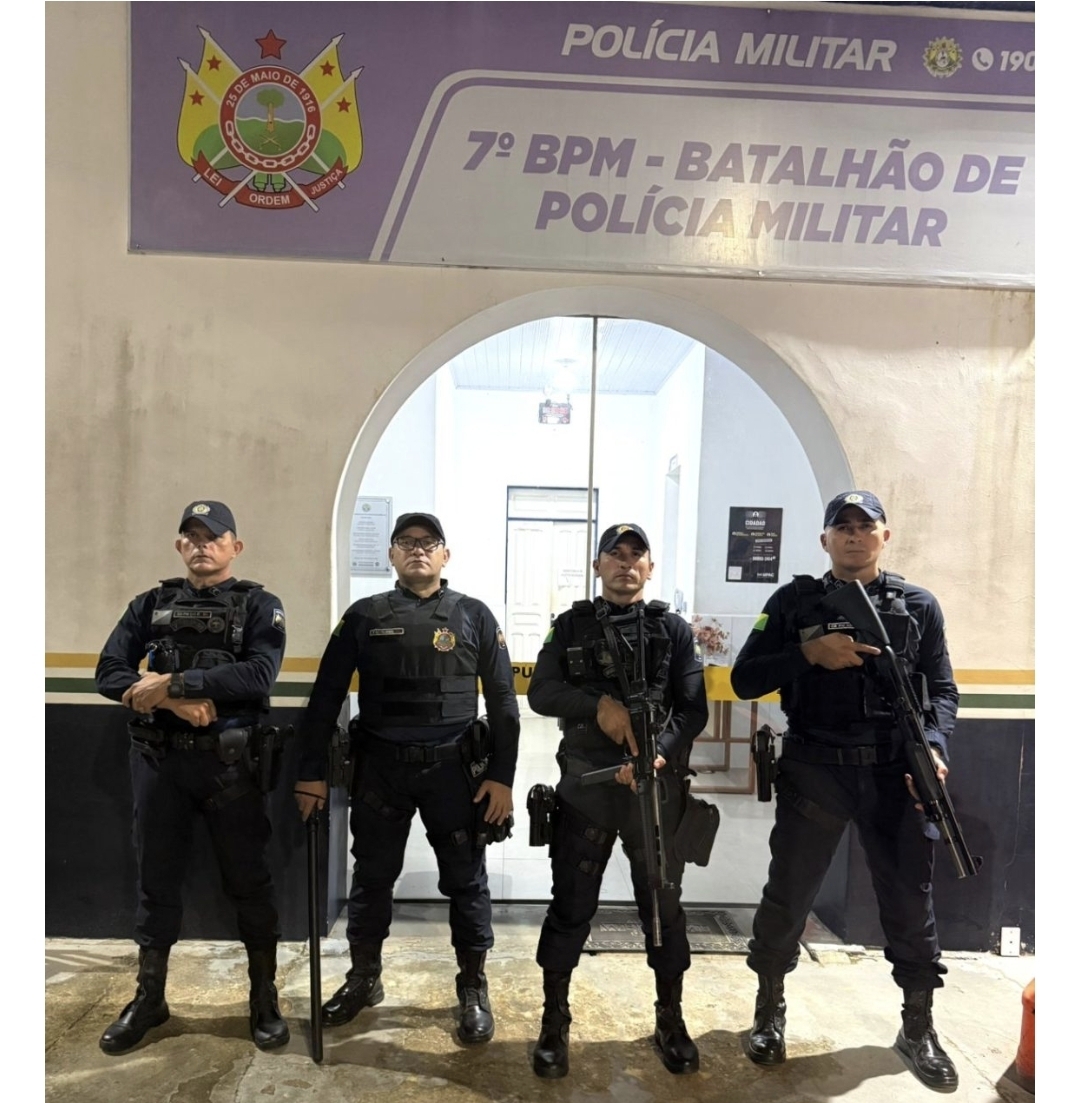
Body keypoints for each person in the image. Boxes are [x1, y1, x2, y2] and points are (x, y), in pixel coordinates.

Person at [731, 490, 960, 1090]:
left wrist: (934, 747)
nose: (855, 535)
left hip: (894, 770)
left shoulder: (920, 605)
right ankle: (769, 1012)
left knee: (910, 901)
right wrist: (808, 652)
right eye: (843, 526)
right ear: (825, 539)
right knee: (789, 895)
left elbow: (942, 689)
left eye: (866, 525)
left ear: (886, 536)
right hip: (816, 767)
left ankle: (917, 1027)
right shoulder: (792, 603)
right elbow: (745, 677)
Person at [293, 512, 520, 1044]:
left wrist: (503, 777)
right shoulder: (363, 615)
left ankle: (472, 986)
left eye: (428, 542)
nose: (418, 549)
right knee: (372, 878)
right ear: (392, 555)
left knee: (466, 881)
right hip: (381, 771)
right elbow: (325, 699)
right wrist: (310, 775)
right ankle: (363, 978)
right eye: (406, 542)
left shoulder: (473, 615)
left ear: (445, 555)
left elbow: (504, 702)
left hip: (454, 773)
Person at [94, 501, 290, 1055]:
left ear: (235, 547)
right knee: (156, 883)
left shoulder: (260, 605)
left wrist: (174, 684)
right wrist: (172, 703)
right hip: (159, 764)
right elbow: (108, 671)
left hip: (231, 768)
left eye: (214, 536)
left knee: (250, 882)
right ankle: (149, 998)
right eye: (192, 536)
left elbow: (259, 674)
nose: (202, 545)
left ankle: (264, 997)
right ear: (180, 546)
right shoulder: (149, 604)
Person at [527, 523, 709, 1079]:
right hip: (587, 789)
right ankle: (554, 1021)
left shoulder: (672, 630)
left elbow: (692, 708)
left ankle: (669, 1019)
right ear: (598, 565)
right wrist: (597, 706)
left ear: (649, 568)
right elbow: (541, 692)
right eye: (615, 554)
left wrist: (659, 756)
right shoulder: (570, 626)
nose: (626, 563)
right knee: (570, 907)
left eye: (636, 555)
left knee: (663, 909)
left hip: (653, 791)